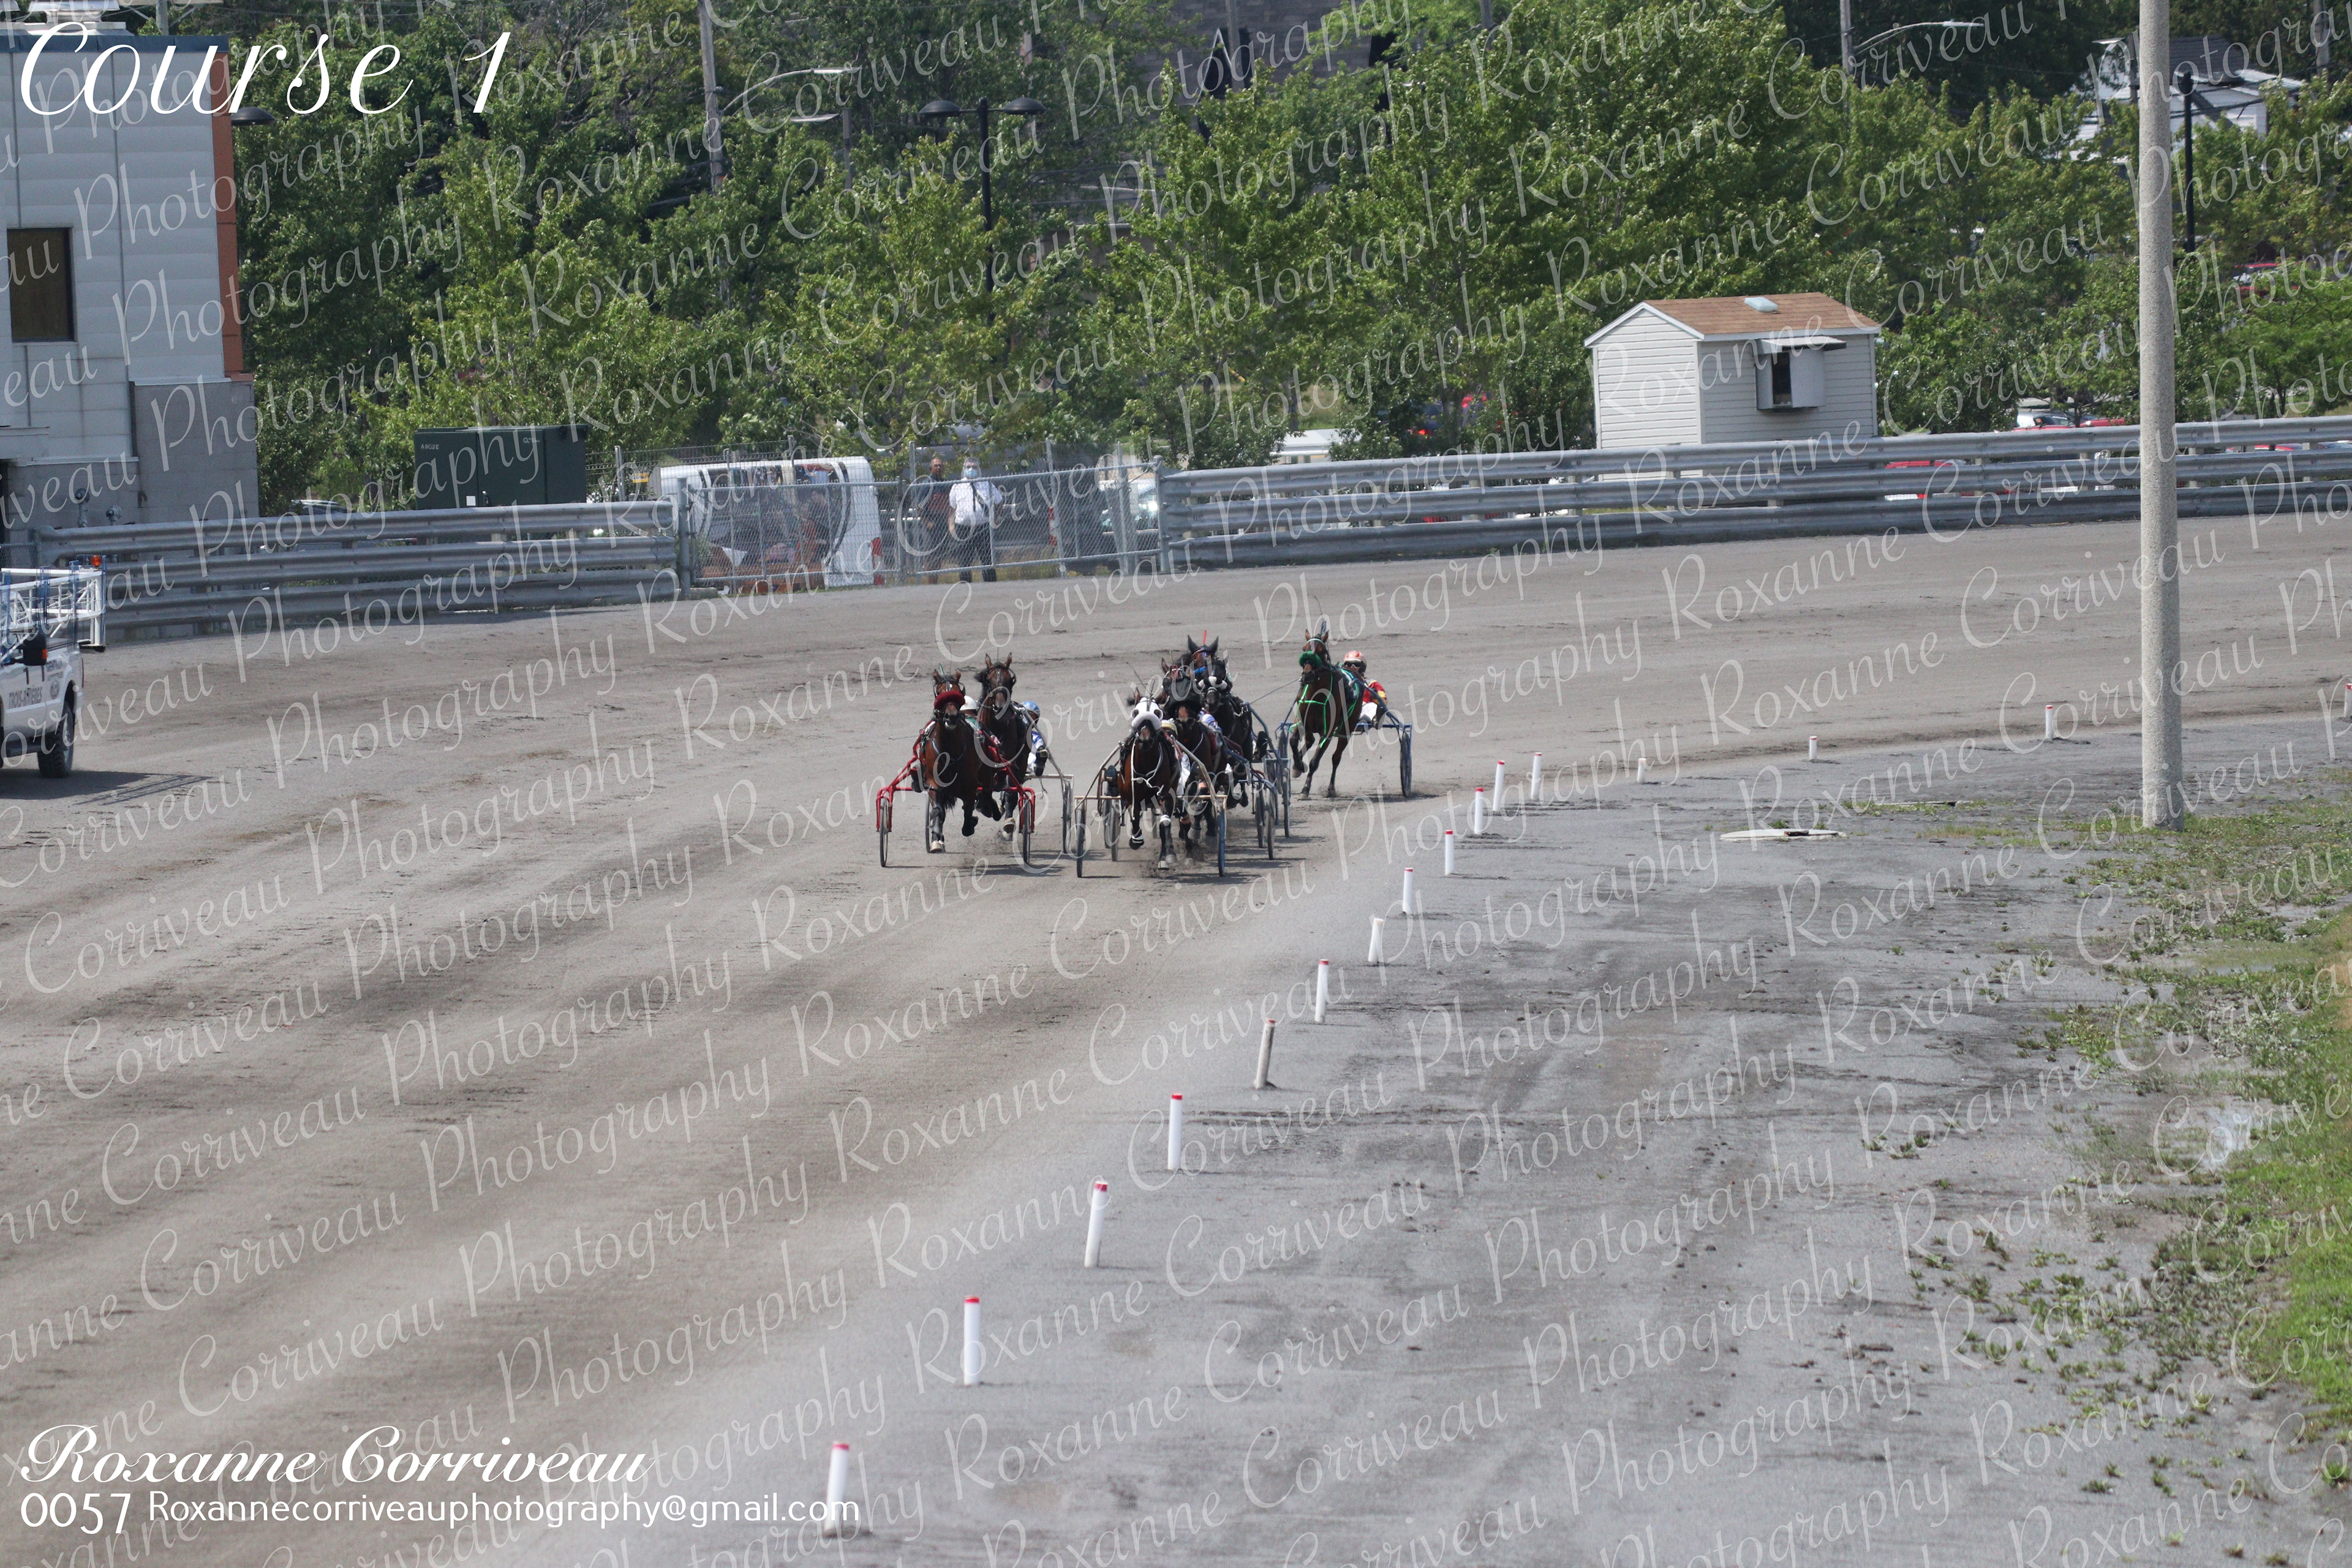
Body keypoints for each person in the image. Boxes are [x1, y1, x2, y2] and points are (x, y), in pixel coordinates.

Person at [948, 461, 1002, 584]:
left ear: (978, 469)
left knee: (987, 560)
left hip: (983, 528)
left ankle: (992, 587)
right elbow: (952, 509)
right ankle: (965, 587)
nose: (971, 469)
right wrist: (951, 526)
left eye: (974, 467)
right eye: (968, 467)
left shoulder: (987, 484)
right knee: (964, 561)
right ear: (964, 469)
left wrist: (997, 517)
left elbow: (999, 502)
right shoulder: (957, 486)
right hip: (964, 528)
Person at [913, 456, 956, 584]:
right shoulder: (927, 484)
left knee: (940, 555)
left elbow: (950, 504)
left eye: (940, 466)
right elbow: (919, 506)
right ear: (931, 468)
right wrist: (927, 522)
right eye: (936, 466)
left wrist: (950, 522)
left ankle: (936, 581)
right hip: (931, 524)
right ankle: (931, 584)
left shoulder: (946, 484)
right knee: (931, 556)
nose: (938, 468)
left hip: (943, 523)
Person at [1342, 650, 1388, 727]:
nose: (1353, 667)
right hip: (1344, 712)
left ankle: (1376, 720)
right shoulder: (1340, 682)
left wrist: (1376, 697)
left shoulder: (1372, 684)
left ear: (1362, 667)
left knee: (1372, 706)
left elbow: (1384, 701)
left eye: (1357, 664)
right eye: (1349, 664)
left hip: (1361, 713)